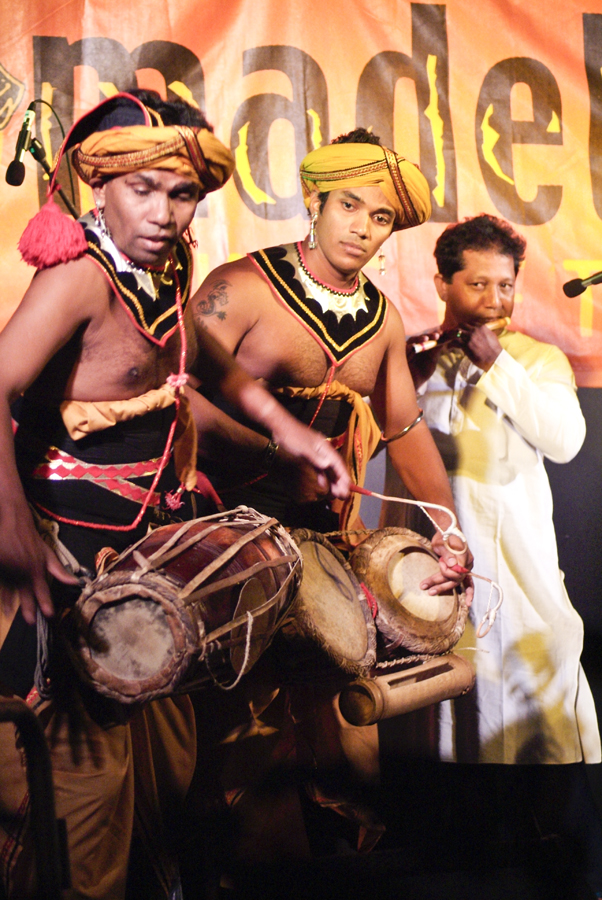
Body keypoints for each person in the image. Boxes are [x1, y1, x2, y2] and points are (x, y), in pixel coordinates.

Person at [0, 90, 349, 900]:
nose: (163, 212)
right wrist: (13, 535)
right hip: (65, 563)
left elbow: (205, 361)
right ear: (100, 187)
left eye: (182, 191)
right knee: (76, 808)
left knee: (163, 791)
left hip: (148, 562)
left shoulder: (170, 263)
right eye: (142, 189)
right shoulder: (81, 278)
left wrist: (286, 434)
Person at [380, 213, 602, 890]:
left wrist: (495, 360)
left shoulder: (535, 359)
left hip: (524, 589)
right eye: (477, 284)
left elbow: (564, 440)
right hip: (437, 588)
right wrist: (412, 367)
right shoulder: (411, 367)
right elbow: (374, 444)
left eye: (505, 286)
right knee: (453, 757)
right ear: (443, 283)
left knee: (538, 754)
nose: (494, 300)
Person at [193, 127, 472, 584]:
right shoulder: (241, 287)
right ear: (315, 201)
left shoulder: (383, 322)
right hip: (214, 531)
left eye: (381, 218)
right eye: (349, 205)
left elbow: (403, 428)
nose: (362, 228)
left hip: (319, 543)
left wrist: (449, 528)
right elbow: (173, 399)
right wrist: (276, 457)